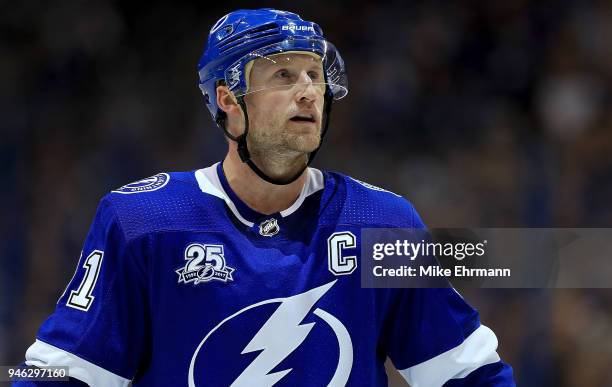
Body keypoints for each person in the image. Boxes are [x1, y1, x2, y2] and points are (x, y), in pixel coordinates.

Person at [15, 8, 515, 386]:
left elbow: (467, 373)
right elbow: (65, 373)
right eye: (282, 75)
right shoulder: (143, 219)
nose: (307, 92)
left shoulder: (382, 221)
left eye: (314, 75)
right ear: (228, 100)